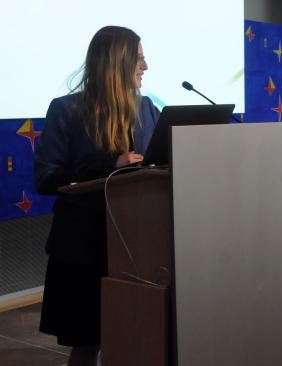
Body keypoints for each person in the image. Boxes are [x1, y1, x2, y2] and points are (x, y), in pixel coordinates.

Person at [34, 26, 159, 366]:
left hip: (141, 245)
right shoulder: (67, 110)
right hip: (84, 249)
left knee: (139, 338)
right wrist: (109, 165)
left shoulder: (148, 109)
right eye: (140, 58)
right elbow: (46, 178)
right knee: (89, 343)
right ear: (116, 62)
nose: (146, 66)